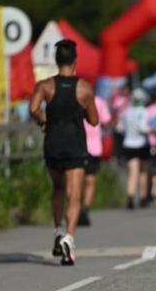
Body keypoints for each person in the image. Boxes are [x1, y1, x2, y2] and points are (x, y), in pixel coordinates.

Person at [29, 39, 99, 266]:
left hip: (53, 145)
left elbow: (33, 108)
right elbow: (94, 120)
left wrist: (43, 119)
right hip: (75, 145)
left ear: (56, 61)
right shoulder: (85, 87)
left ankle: (58, 230)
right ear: (75, 61)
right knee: (74, 194)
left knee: (58, 188)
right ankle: (70, 237)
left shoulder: (45, 85)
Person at [79, 94, 112, 226]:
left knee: (75, 179)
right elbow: (105, 124)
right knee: (90, 179)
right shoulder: (100, 102)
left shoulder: (75, 98)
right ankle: (85, 207)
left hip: (77, 145)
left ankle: (75, 206)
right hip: (93, 146)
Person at [121, 87, 151, 209]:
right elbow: (142, 128)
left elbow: (121, 128)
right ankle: (143, 197)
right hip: (141, 143)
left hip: (128, 143)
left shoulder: (126, 111)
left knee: (132, 172)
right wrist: (152, 130)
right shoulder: (144, 111)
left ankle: (130, 195)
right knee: (143, 171)